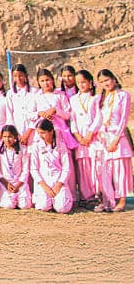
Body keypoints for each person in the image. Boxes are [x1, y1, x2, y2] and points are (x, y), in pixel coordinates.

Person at [95, 68, 132, 213]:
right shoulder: (102, 98)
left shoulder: (123, 95)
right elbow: (100, 119)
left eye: (107, 80)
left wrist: (116, 139)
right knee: (107, 170)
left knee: (120, 170)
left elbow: (124, 119)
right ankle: (110, 199)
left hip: (118, 137)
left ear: (114, 79)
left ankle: (122, 200)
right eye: (102, 82)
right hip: (104, 137)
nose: (105, 83)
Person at [69, 69, 100, 205]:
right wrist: (77, 135)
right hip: (80, 137)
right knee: (83, 166)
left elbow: (99, 117)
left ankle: (98, 194)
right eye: (79, 83)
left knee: (95, 164)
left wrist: (90, 133)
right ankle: (86, 196)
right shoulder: (73, 99)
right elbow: (73, 119)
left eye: (84, 82)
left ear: (90, 82)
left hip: (94, 136)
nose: (81, 85)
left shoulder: (97, 98)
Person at [30, 118, 73, 213]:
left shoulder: (61, 145)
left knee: (62, 208)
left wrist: (59, 184)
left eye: (43, 133)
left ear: (51, 131)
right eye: (39, 133)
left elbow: (66, 168)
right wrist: (44, 185)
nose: (41, 136)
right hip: (44, 181)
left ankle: (59, 200)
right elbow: (34, 169)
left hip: (58, 180)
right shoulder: (36, 146)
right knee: (43, 206)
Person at [0, 125, 31, 210]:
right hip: (5, 182)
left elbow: (25, 169)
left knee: (25, 205)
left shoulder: (22, 149)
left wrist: (18, 184)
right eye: (4, 137)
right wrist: (6, 183)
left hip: (20, 182)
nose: (7, 139)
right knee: (9, 205)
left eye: (10, 137)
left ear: (15, 137)